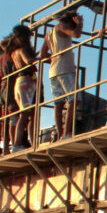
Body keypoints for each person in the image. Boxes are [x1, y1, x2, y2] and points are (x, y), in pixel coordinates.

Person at [40, 12, 84, 140]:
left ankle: (60, 134)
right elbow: (77, 34)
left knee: (58, 103)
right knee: (74, 98)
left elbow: (42, 54)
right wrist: (80, 23)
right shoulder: (62, 27)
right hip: (65, 69)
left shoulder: (49, 33)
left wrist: (54, 59)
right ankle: (67, 133)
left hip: (53, 71)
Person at [8, 25, 38, 151]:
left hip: (19, 82)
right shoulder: (21, 50)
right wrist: (40, 58)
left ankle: (22, 142)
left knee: (26, 114)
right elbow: (28, 61)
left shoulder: (13, 52)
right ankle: (17, 143)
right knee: (26, 114)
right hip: (27, 81)